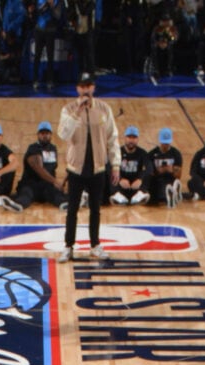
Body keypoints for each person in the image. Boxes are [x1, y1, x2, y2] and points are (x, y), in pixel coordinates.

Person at [59, 74, 120, 251]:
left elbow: (112, 137)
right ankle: (69, 245)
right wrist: (77, 112)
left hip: (98, 166)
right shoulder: (68, 109)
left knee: (95, 209)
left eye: (89, 86)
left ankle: (95, 244)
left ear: (93, 87)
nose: (85, 90)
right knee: (72, 209)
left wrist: (115, 164)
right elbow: (64, 134)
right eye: (82, 86)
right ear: (77, 89)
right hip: (76, 167)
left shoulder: (104, 109)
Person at [22, 121, 65, 209]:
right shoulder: (33, 148)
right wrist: (55, 181)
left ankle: (64, 204)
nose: (44, 135)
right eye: (42, 133)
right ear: (38, 135)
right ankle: (18, 205)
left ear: (51, 134)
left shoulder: (53, 149)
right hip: (32, 184)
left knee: (57, 195)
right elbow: (39, 169)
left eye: (47, 133)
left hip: (47, 186)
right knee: (26, 194)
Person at [149, 128, 184, 207]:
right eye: (164, 143)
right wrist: (158, 171)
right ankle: (172, 195)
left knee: (167, 185)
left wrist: (171, 170)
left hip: (170, 179)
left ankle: (173, 193)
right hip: (157, 179)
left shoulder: (176, 154)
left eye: (167, 143)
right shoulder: (152, 154)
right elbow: (149, 173)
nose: (165, 145)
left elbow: (178, 175)